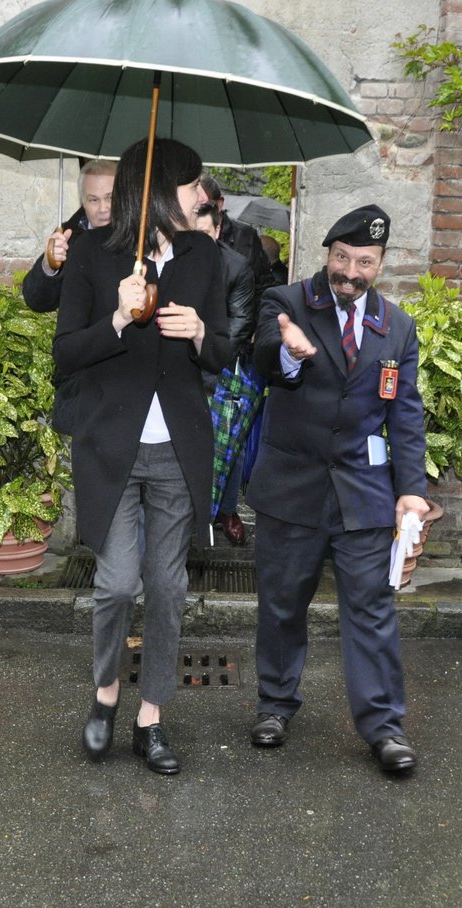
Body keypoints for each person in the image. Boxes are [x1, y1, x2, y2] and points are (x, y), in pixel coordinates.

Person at [53, 138, 231, 774]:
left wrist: (203, 333)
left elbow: (225, 352)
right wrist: (120, 321)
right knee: (116, 583)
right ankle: (105, 696)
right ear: (156, 192)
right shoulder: (95, 258)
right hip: (111, 450)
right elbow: (66, 354)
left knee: (165, 586)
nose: (202, 196)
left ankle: (150, 716)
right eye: (192, 187)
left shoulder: (203, 254)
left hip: (177, 449)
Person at [246, 205, 429, 774]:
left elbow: (405, 414)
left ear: (379, 264)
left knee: (371, 610)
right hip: (292, 488)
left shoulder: (396, 327)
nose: (350, 271)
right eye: (342, 258)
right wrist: (288, 354)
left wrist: (412, 491)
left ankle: (383, 726)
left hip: (363, 492)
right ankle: (275, 705)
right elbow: (260, 360)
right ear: (327, 254)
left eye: (364, 262)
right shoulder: (289, 302)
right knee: (282, 604)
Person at [193, 201, 258, 546]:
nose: (198, 241)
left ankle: (228, 509)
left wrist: (205, 359)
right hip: (179, 367)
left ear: (217, 231)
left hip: (221, 364)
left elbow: (240, 324)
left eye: (205, 234)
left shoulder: (237, 267)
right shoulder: (175, 262)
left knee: (229, 441)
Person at [21, 159, 118, 313]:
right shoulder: (68, 235)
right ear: (83, 202)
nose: (103, 208)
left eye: (110, 198)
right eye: (93, 200)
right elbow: (37, 301)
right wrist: (49, 265)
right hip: (80, 335)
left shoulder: (139, 235)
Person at [200, 174, 278, 304]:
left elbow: (263, 286)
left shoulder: (246, 236)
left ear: (219, 204)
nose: (198, 211)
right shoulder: (182, 233)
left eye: (204, 205)